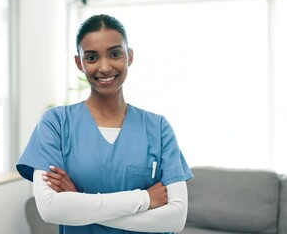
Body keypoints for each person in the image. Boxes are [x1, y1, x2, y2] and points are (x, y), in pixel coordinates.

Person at [16, 14, 193, 234]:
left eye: (115, 54)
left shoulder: (158, 128)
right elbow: (50, 209)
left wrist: (80, 204)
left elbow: (175, 219)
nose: (105, 67)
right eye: (91, 58)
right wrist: (145, 198)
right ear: (79, 63)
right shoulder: (56, 123)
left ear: (129, 56)